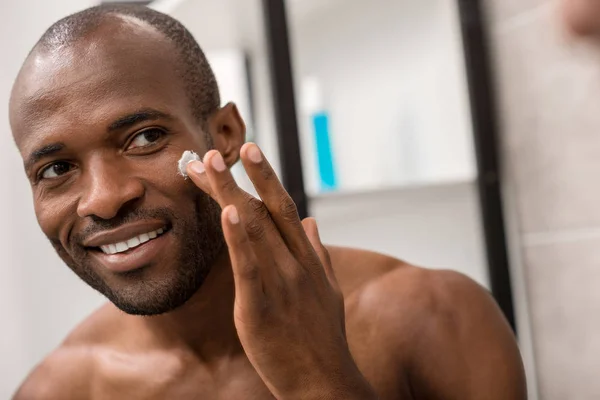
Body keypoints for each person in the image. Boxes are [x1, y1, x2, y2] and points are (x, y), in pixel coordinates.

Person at [9, 4, 527, 399]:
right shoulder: (60, 390)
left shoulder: (433, 319)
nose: (102, 199)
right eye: (56, 170)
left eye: (145, 138)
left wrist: (318, 380)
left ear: (227, 135)